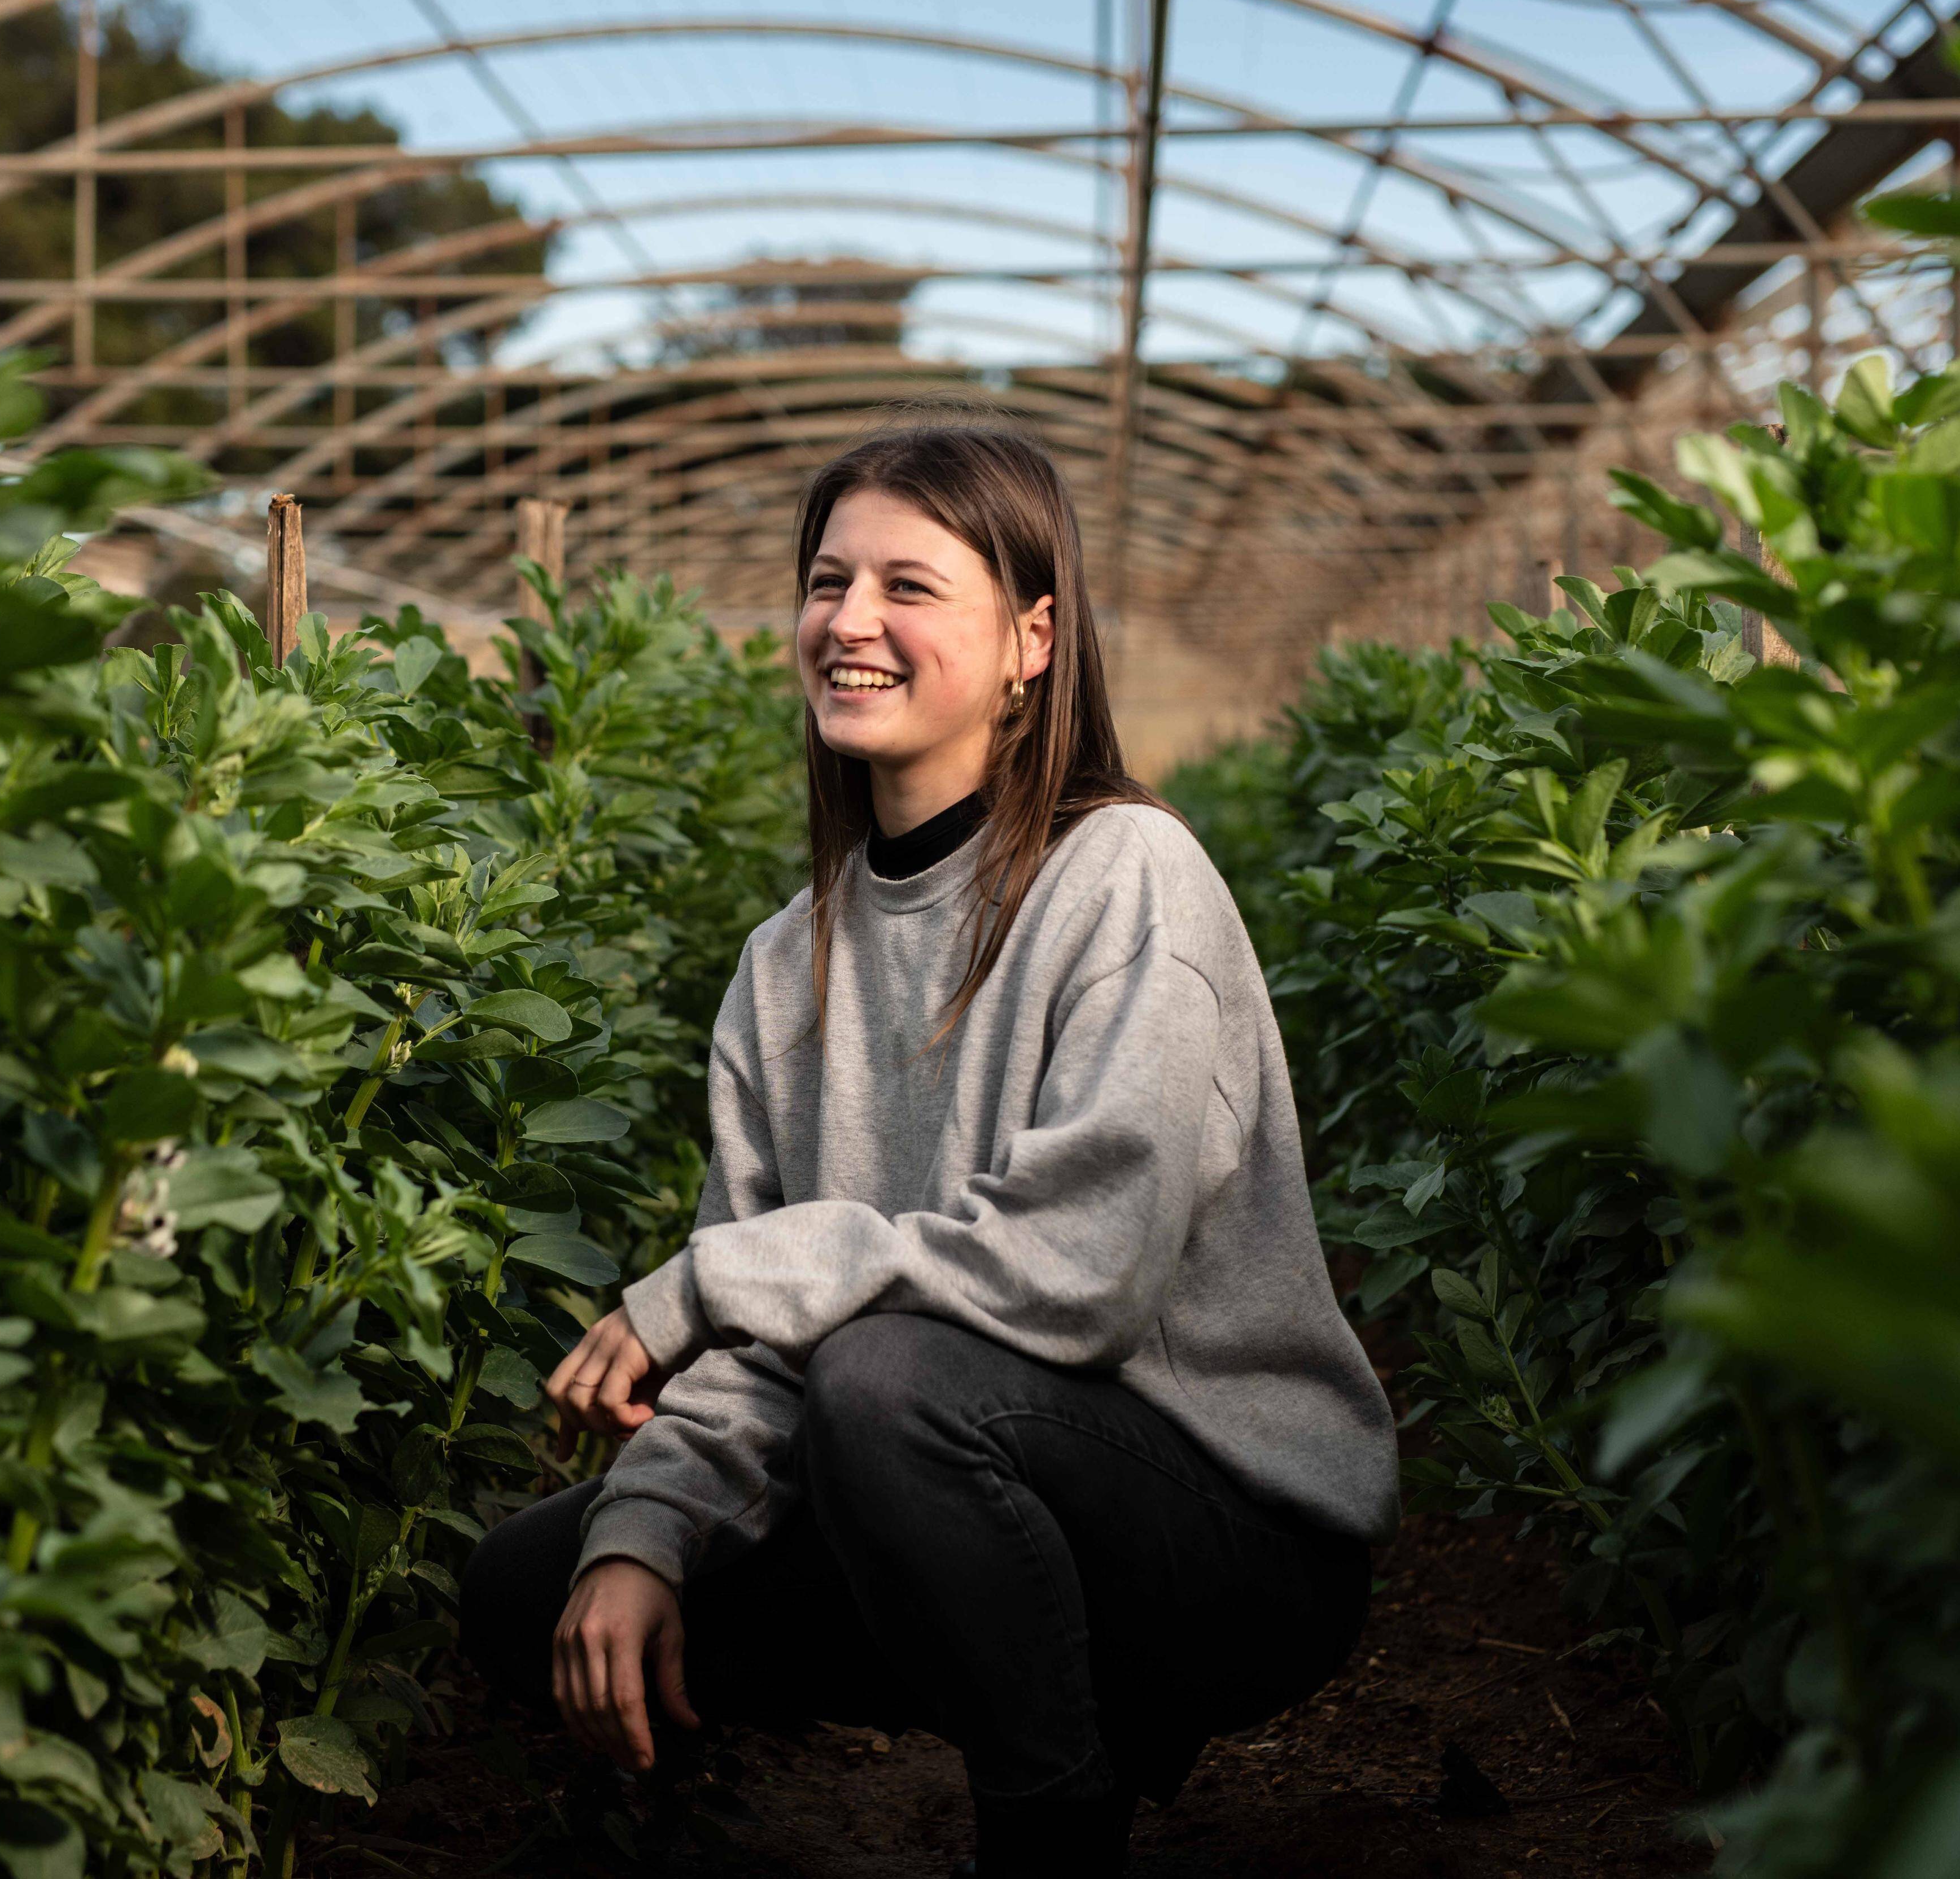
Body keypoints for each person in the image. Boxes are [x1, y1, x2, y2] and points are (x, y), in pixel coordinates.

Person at [458, 420, 1401, 1878]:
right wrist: (648, 1526)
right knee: (534, 1587)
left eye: (909, 587)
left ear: (1033, 641)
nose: (851, 622)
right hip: (952, 1472)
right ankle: (879, 1756)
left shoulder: (1125, 875)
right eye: (828, 583)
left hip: (1227, 1535)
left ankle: (1050, 1837)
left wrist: (711, 1279)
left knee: (885, 1379)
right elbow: (767, 1343)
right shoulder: (787, 964)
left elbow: (1082, 1270)